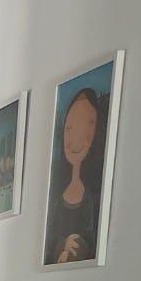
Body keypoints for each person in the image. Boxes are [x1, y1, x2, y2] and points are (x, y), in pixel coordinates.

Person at [44, 87, 106, 264]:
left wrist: (76, 247)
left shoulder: (95, 196)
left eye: (86, 126)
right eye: (69, 128)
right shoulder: (54, 195)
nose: (74, 140)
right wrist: (61, 246)